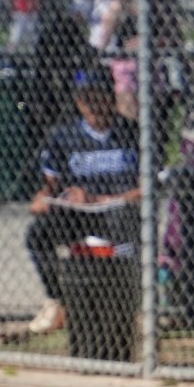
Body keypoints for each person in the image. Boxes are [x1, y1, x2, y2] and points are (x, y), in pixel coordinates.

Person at [19, 67, 141, 335]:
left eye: (100, 97)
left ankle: (130, 304)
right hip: (78, 215)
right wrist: (42, 200)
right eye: (87, 99)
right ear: (78, 102)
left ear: (112, 98)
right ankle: (60, 301)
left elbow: (146, 189)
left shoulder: (134, 133)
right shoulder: (63, 137)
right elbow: (50, 187)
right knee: (38, 235)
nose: (93, 105)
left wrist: (100, 198)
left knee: (124, 238)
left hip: (118, 213)